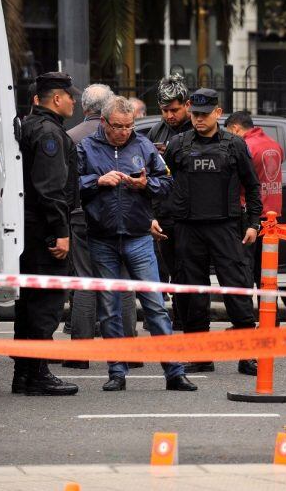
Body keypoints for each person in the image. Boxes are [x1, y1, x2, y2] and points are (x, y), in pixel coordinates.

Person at [78, 96, 197, 392]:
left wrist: (147, 185)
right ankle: (117, 371)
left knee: (155, 305)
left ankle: (174, 372)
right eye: (117, 126)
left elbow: (167, 182)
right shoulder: (86, 148)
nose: (123, 131)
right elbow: (71, 184)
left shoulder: (143, 145)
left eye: (129, 126)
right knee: (109, 308)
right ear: (104, 122)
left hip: (139, 236)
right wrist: (97, 181)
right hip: (102, 237)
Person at [164, 89, 262, 375]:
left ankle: (247, 355)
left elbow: (252, 186)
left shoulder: (234, 145)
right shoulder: (178, 144)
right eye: (194, 115)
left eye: (204, 115)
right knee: (192, 293)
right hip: (187, 227)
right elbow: (162, 184)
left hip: (225, 227)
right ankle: (200, 355)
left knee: (237, 289)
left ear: (218, 113)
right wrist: (158, 217)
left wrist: (254, 224)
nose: (198, 120)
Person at [12, 72, 81, 396]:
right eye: (70, 96)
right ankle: (38, 374)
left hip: (29, 228)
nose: (74, 101)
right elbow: (50, 189)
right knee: (46, 304)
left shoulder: (31, 125)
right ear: (57, 99)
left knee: (29, 303)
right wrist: (60, 232)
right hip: (44, 231)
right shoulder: (50, 133)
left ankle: (24, 374)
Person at [63, 84, 140, 370]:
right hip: (120, 217)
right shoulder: (128, 139)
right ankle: (128, 350)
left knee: (85, 281)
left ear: (85, 108)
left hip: (81, 216)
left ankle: (80, 353)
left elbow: (67, 184)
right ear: (109, 110)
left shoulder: (69, 137)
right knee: (123, 281)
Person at [146, 74, 200, 331]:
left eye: (175, 110)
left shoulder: (198, 127)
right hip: (165, 210)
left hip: (193, 212)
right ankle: (178, 320)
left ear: (187, 105)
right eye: (165, 110)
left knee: (190, 269)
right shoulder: (157, 130)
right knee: (171, 269)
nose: (169, 115)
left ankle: (189, 322)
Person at [225, 110, 284, 290]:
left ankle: (247, 314)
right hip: (272, 216)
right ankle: (270, 316)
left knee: (245, 267)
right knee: (267, 268)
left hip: (249, 216)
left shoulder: (245, 146)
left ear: (235, 128)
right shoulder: (274, 144)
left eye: (228, 133)